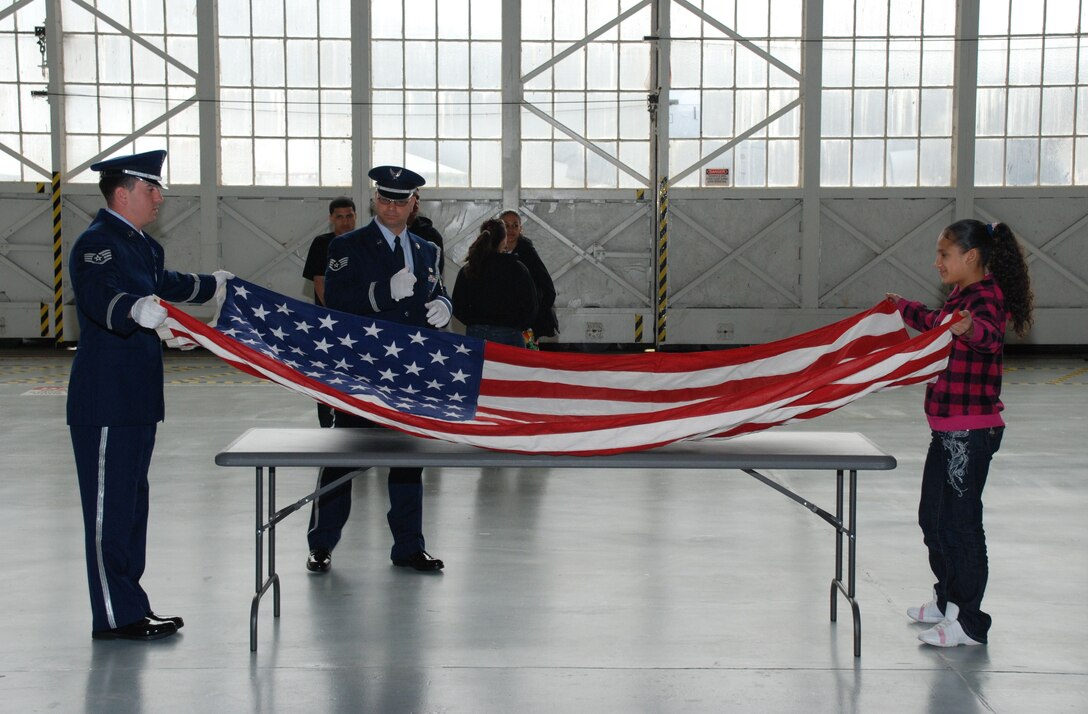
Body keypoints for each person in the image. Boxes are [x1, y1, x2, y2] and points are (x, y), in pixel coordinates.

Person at [67, 149, 232, 641]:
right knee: (107, 511)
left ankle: (130, 607)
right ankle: (115, 617)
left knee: (130, 506)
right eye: (150, 188)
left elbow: (166, 283)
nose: (159, 197)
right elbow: (99, 296)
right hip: (105, 400)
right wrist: (130, 308)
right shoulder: (97, 243)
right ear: (122, 193)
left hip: (138, 399)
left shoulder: (142, 246)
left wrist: (214, 286)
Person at [887, 219, 1033, 648]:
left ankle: (969, 621)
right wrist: (904, 307)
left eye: (944, 255)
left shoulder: (986, 298)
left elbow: (987, 333)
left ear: (971, 257)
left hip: (971, 433)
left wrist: (970, 329)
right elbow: (938, 320)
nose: (937, 263)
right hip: (948, 432)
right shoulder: (961, 296)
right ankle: (948, 598)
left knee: (962, 526)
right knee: (932, 518)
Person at [305, 165, 452, 574]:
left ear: (413, 204)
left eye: (400, 201)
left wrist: (445, 305)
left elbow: (437, 289)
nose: (391, 207)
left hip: (409, 371)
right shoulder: (347, 246)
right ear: (374, 199)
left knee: (408, 461)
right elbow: (337, 299)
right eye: (385, 199)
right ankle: (322, 543)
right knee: (343, 457)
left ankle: (408, 545)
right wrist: (383, 292)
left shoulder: (427, 250)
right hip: (361, 369)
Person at [302, 196, 356, 427]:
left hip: (358, 323)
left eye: (349, 216)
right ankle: (326, 422)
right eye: (339, 217)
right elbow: (319, 282)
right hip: (328, 322)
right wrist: (336, 316)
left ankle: (356, 420)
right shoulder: (321, 244)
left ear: (355, 216)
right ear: (331, 218)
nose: (345, 222)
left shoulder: (362, 242)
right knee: (325, 374)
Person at [453, 218, 538, 347]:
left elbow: (458, 305)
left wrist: (474, 322)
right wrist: (518, 325)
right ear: (504, 240)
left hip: (476, 335)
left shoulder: (470, 269)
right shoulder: (517, 268)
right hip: (511, 335)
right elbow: (530, 305)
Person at [500, 210, 558, 345]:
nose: (511, 230)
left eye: (515, 225)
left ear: (521, 229)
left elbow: (548, 289)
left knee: (526, 363)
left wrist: (533, 318)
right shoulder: (491, 254)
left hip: (525, 327)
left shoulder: (528, 254)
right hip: (500, 326)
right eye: (506, 225)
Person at [409, 189, 445, 273]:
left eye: (417, 198)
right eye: (410, 198)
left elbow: (436, 272)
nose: (415, 203)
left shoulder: (432, 236)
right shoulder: (385, 233)